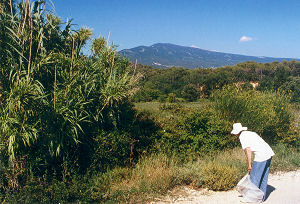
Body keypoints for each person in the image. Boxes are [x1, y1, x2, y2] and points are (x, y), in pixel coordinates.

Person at [231, 123, 274, 202]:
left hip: (261, 155)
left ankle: (252, 199)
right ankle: (261, 198)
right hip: (269, 153)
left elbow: (248, 151)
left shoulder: (242, 137)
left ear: (237, 132)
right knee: (264, 177)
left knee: (254, 178)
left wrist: (249, 165)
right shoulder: (250, 133)